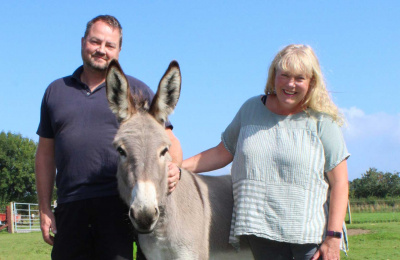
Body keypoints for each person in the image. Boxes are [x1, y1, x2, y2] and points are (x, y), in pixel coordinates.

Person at [35, 15, 182, 260]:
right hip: (70, 206)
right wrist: (44, 209)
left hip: (116, 206)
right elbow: (45, 156)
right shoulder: (55, 91)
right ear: (83, 42)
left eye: (109, 45)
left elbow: (169, 142)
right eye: (95, 41)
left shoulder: (137, 90)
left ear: (119, 50)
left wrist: (174, 168)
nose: (101, 50)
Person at [182, 44, 349, 260]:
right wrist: (176, 167)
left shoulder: (321, 120)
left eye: (300, 78)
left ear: (311, 82)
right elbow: (221, 153)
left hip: (308, 238)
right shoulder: (251, 110)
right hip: (259, 231)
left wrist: (333, 238)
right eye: (285, 75)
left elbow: (340, 183)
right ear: (274, 76)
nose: (290, 84)